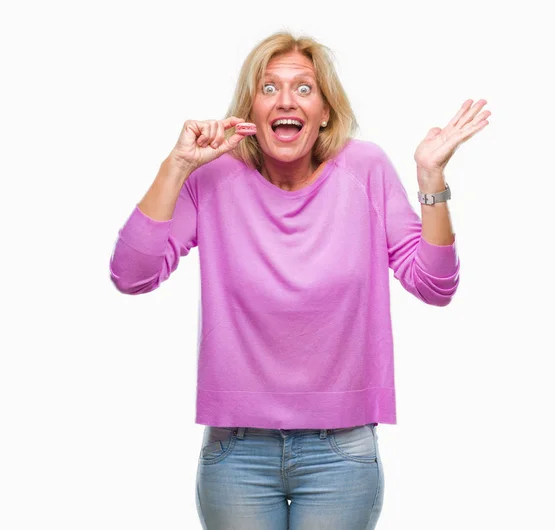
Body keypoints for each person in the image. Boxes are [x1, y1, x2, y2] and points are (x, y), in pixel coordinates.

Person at [109, 30, 490, 530]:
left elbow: (434, 286)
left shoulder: (365, 168)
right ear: (249, 109)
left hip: (342, 451)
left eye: (303, 88)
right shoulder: (212, 177)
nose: (286, 100)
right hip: (237, 451)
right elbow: (131, 276)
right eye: (269, 88)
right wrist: (177, 166)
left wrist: (430, 182)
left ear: (326, 110)